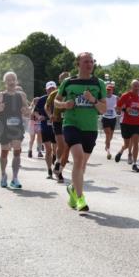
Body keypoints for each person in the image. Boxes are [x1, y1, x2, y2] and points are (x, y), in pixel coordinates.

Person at [55, 53, 107, 211]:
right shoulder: (68, 82)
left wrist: (93, 100)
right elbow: (56, 102)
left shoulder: (99, 83)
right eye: (86, 61)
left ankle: (72, 189)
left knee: (82, 165)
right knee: (77, 159)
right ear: (78, 64)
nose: (89, 64)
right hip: (71, 124)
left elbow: (104, 109)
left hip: (90, 128)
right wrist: (65, 105)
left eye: (91, 61)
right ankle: (80, 198)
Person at [0, 71, 29, 189]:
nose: (11, 82)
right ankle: (3, 174)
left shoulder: (21, 95)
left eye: (13, 79)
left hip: (17, 126)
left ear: (16, 81)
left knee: (17, 150)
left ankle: (15, 177)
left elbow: (27, 110)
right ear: (5, 82)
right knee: (4, 152)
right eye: (8, 80)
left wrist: (25, 110)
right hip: (5, 126)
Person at [115, 79, 139, 172]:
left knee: (136, 143)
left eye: (138, 86)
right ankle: (121, 152)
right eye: (135, 86)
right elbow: (117, 108)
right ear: (131, 87)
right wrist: (125, 110)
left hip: (137, 123)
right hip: (126, 123)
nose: (136, 88)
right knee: (127, 144)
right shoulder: (125, 96)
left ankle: (134, 163)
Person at [46, 72, 72, 183]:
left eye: (68, 78)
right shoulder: (55, 93)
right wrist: (50, 115)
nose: (66, 80)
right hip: (58, 122)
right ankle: (57, 162)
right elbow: (46, 107)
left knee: (67, 148)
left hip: (70, 122)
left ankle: (59, 168)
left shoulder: (73, 93)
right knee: (61, 145)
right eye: (64, 79)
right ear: (60, 81)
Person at [33, 81, 58, 179]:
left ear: (56, 89)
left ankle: (55, 159)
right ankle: (49, 170)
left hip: (57, 126)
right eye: (49, 89)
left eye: (53, 89)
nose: (51, 91)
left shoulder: (59, 98)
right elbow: (34, 112)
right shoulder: (42, 99)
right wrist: (39, 116)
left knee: (56, 150)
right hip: (45, 126)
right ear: (46, 90)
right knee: (48, 150)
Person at [101, 82, 118, 159]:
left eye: (110, 90)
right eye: (107, 90)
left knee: (110, 136)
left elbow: (121, 105)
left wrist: (118, 108)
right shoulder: (103, 98)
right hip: (105, 118)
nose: (108, 91)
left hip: (113, 118)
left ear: (112, 90)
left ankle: (106, 145)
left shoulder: (116, 98)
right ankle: (108, 151)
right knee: (107, 134)